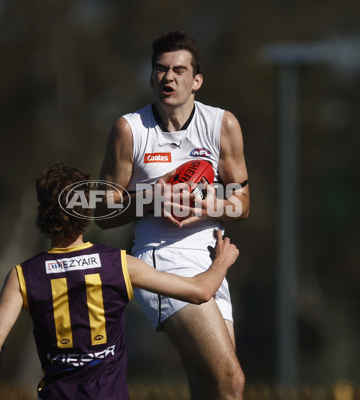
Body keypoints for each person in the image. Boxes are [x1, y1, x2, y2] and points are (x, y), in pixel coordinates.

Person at [0, 161, 240, 400]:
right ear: (87, 210)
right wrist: (221, 263)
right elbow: (200, 291)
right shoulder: (118, 264)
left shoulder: (23, 275)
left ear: (43, 212)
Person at [96, 31, 249, 399]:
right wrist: (153, 197)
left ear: (196, 80)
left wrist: (204, 205)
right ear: (151, 77)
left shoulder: (221, 124)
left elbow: (242, 201)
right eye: (161, 69)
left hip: (211, 262)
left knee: (208, 387)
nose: (169, 77)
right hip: (159, 260)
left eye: (179, 70)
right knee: (232, 381)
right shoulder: (130, 129)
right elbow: (102, 211)